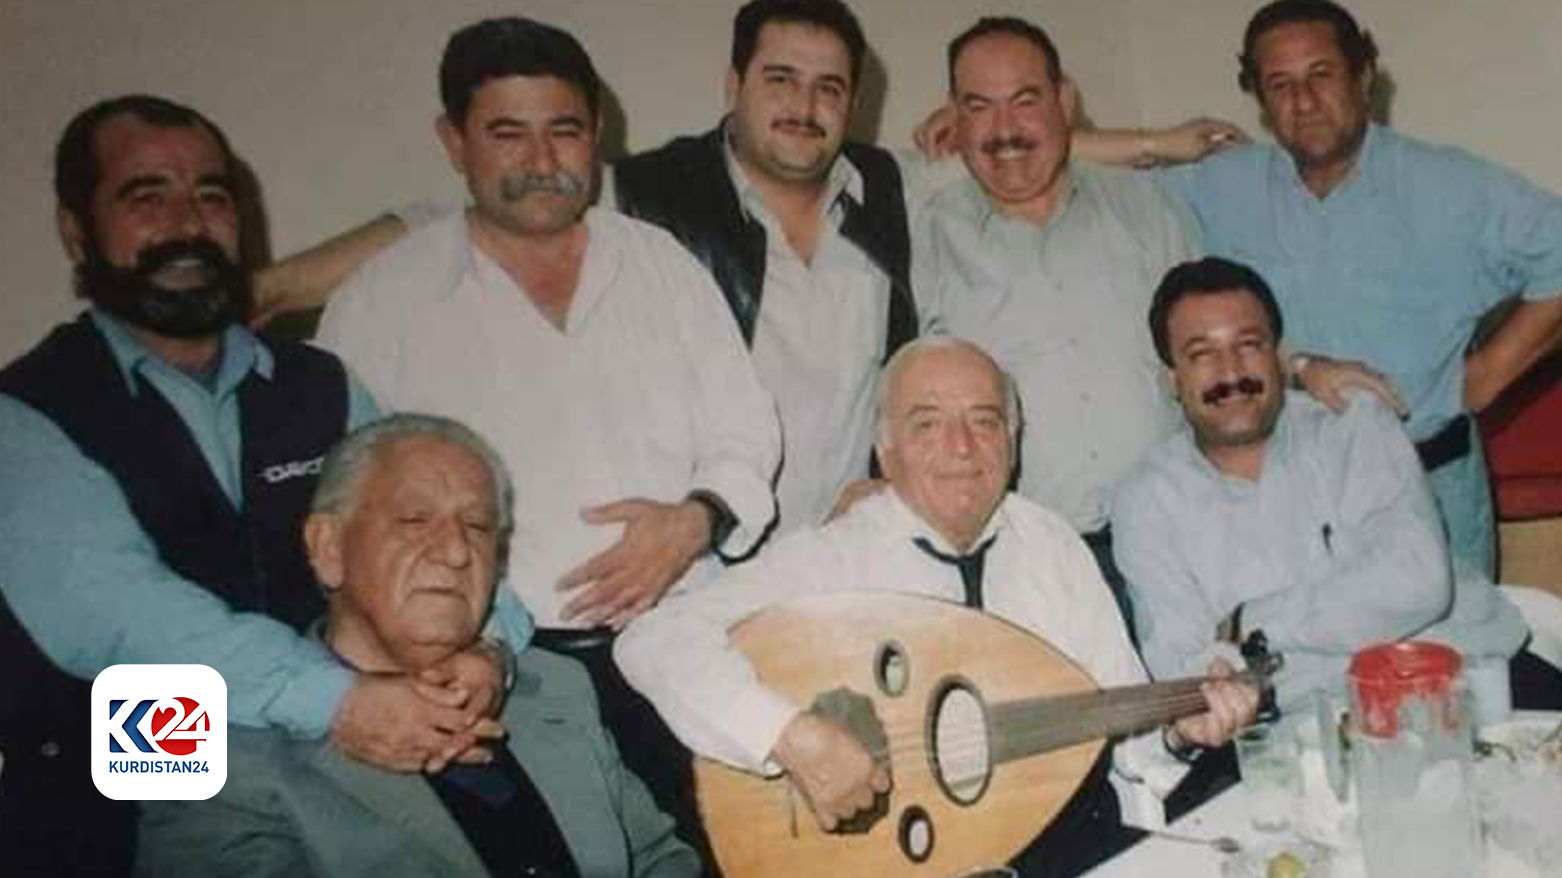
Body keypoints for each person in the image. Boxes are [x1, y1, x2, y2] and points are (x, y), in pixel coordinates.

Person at [0, 96, 512, 878]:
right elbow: (118, 615)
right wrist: (338, 703)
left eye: (212, 196)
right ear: (77, 231)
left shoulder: (321, 386)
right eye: (147, 196)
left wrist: (487, 647)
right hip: (112, 803)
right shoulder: (26, 411)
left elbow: (433, 530)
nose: (188, 222)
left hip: (337, 799)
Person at [312, 16, 781, 858]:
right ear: (453, 141)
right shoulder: (380, 305)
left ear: (597, 133)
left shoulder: (662, 265)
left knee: (733, 859)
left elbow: (746, 433)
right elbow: (349, 516)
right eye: (507, 133)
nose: (540, 159)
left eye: (564, 130)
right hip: (504, 678)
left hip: (688, 647)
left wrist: (696, 518)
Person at [618, 338, 1257, 878]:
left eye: (984, 422)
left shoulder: (1052, 544)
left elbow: (1123, 744)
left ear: (1012, 442)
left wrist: (1179, 735)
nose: (961, 448)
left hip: (1057, 845)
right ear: (884, 448)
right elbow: (653, 638)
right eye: (927, 424)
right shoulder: (831, 559)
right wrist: (790, 737)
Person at [136, 414, 701, 878]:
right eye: (413, 519)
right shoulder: (208, 757)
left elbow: (658, 860)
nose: (455, 552)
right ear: (328, 547)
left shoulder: (553, 684)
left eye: (478, 527)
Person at [1133, 0, 1562, 580]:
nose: (1304, 101)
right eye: (1280, 84)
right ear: (1260, 102)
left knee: (1453, 640)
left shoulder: (1449, 185)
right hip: (1285, 507)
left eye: (1321, 74)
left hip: (1430, 488)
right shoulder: (1225, 186)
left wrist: (1487, 375)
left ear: (1363, 76)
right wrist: (1155, 141)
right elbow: (1063, 171)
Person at [1114, 257, 1562, 713]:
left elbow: (1417, 584)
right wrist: (1342, 632)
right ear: (1173, 379)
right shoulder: (1147, 503)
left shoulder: (1351, 424)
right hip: (1300, 726)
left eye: (1248, 345)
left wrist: (1250, 623)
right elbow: (1188, 675)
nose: (1230, 372)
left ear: (1278, 357)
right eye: (1202, 354)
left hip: (1468, 679)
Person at [912, 17, 1198, 632]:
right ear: (953, 119)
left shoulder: (1148, 208)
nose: (1004, 129)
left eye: (1025, 100)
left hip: (1179, 547)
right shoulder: (925, 234)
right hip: (1026, 570)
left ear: (1064, 101)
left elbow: (1207, 346)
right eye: (978, 107)